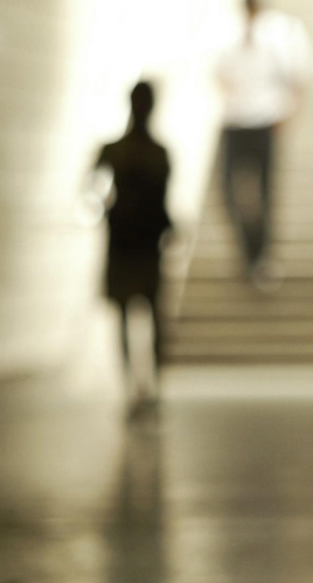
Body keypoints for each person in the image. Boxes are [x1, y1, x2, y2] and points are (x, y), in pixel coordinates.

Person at [216, 0, 311, 284]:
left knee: (266, 192)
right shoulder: (224, 26)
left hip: (265, 121)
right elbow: (215, 71)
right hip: (234, 121)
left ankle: (262, 255)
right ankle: (248, 250)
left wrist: (289, 113)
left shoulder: (283, 29)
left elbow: (297, 77)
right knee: (229, 191)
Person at [93, 81, 173, 408]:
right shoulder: (151, 153)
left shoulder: (127, 151)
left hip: (135, 240)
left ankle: (141, 384)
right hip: (136, 240)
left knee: (141, 314)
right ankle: (140, 384)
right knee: (142, 313)